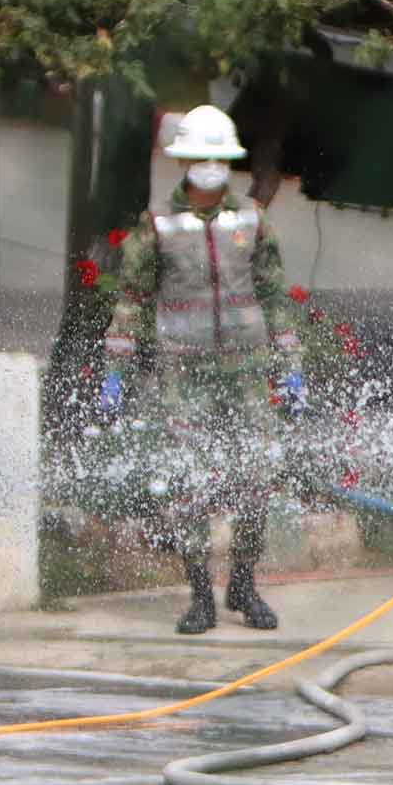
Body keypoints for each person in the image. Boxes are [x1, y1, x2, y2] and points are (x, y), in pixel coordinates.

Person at [100, 104, 303, 635]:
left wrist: (291, 363)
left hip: (246, 369)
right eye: (201, 156)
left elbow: (276, 293)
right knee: (188, 482)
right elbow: (132, 300)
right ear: (184, 160)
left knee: (255, 477)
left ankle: (243, 583)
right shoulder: (159, 226)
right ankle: (199, 596)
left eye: (219, 156)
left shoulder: (253, 219)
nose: (210, 165)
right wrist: (115, 371)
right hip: (183, 375)